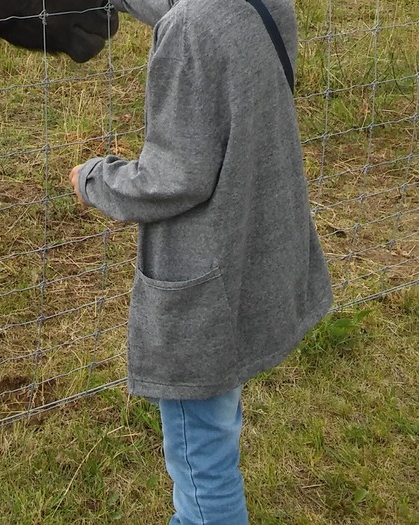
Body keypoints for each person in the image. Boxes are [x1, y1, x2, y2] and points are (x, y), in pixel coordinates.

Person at [68, 0, 333, 523]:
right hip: (252, 246)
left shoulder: (190, 28)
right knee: (215, 424)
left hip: (204, 279)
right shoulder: (262, 5)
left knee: (202, 463)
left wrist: (95, 179)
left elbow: (176, 176)